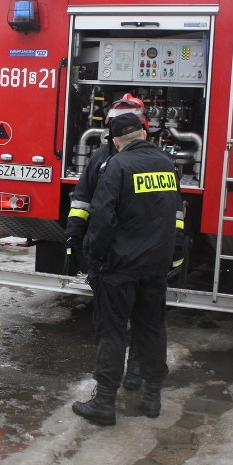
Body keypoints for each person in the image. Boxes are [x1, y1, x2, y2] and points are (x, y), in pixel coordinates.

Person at [72, 111, 182, 425]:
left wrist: (95, 258)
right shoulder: (166, 165)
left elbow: (103, 218)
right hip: (155, 267)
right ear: (143, 135)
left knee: (112, 331)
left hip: (119, 268)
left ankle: (105, 402)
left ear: (117, 141)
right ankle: (152, 398)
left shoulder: (117, 165)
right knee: (151, 329)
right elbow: (174, 215)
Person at [65, 94, 149, 391]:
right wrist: (74, 236)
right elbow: (83, 198)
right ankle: (109, 384)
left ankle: (134, 372)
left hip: (134, 254)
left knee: (139, 317)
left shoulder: (151, 159)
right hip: (110, 255)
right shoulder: (100, 158)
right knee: (111, 322)